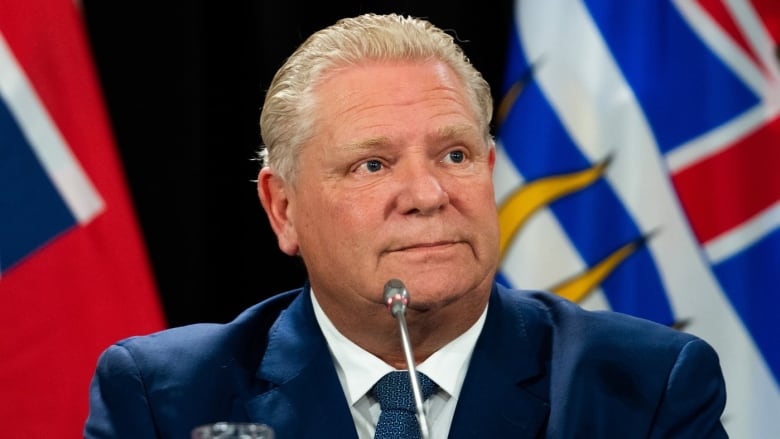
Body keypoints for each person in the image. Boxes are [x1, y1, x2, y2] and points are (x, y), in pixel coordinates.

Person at [84, 13, 728, 438]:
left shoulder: (643, 388)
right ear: (283, 209)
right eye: (372, 164)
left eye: (455, 155)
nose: (427, 194)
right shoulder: (165, 398)